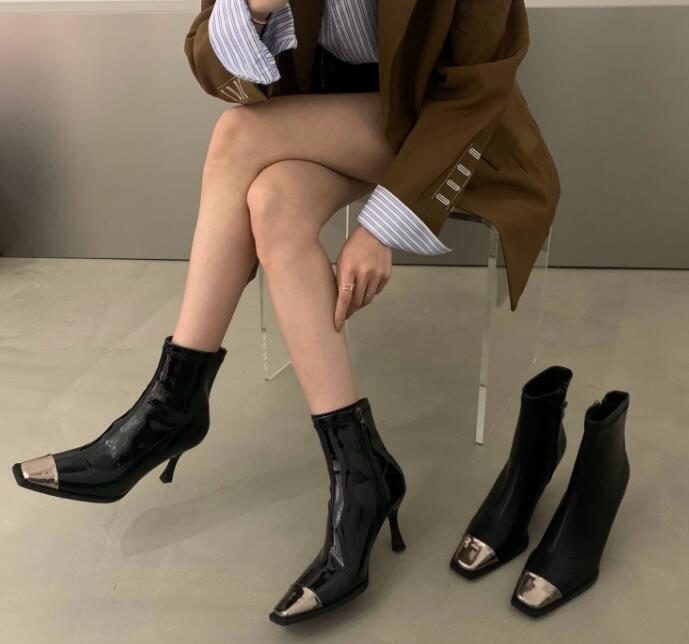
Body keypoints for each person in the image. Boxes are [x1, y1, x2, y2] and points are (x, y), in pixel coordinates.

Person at [13, 0, 561, 626]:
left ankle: (171, 407)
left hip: (453, 132)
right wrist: (255, 8)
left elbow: (476, 87)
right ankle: (360, 474)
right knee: (272, 201)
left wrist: (379, 229)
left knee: (238, 136)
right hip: (338, 120)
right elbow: (207, 58)